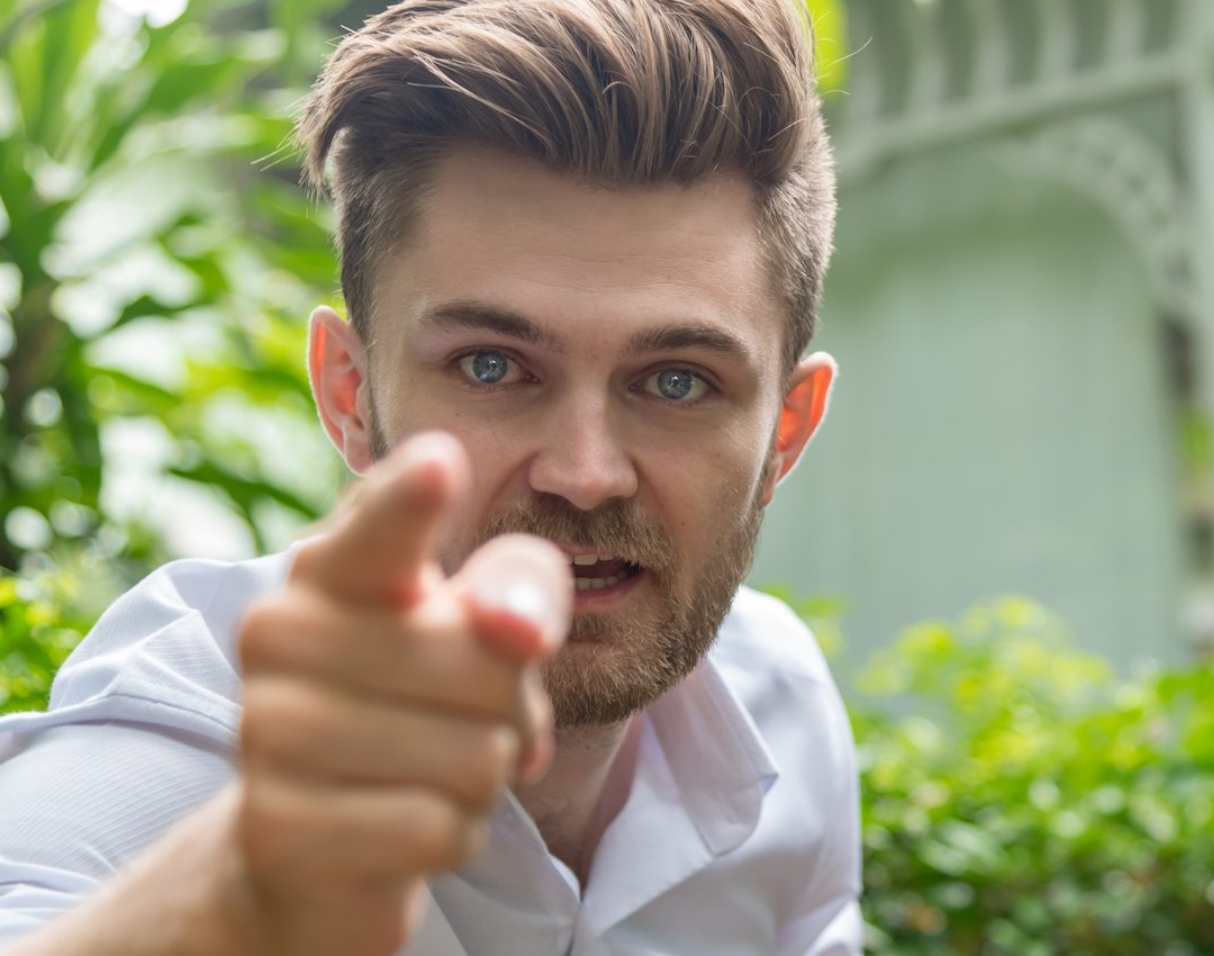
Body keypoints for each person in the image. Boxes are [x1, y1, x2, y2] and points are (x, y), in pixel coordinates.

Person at [0, 0, 861, 953]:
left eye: (676, 381)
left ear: (785, 433)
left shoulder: (785, 707)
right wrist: (234, 886)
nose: (584, 474)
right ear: (350, 395)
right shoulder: (188, 742)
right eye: (491, 365)